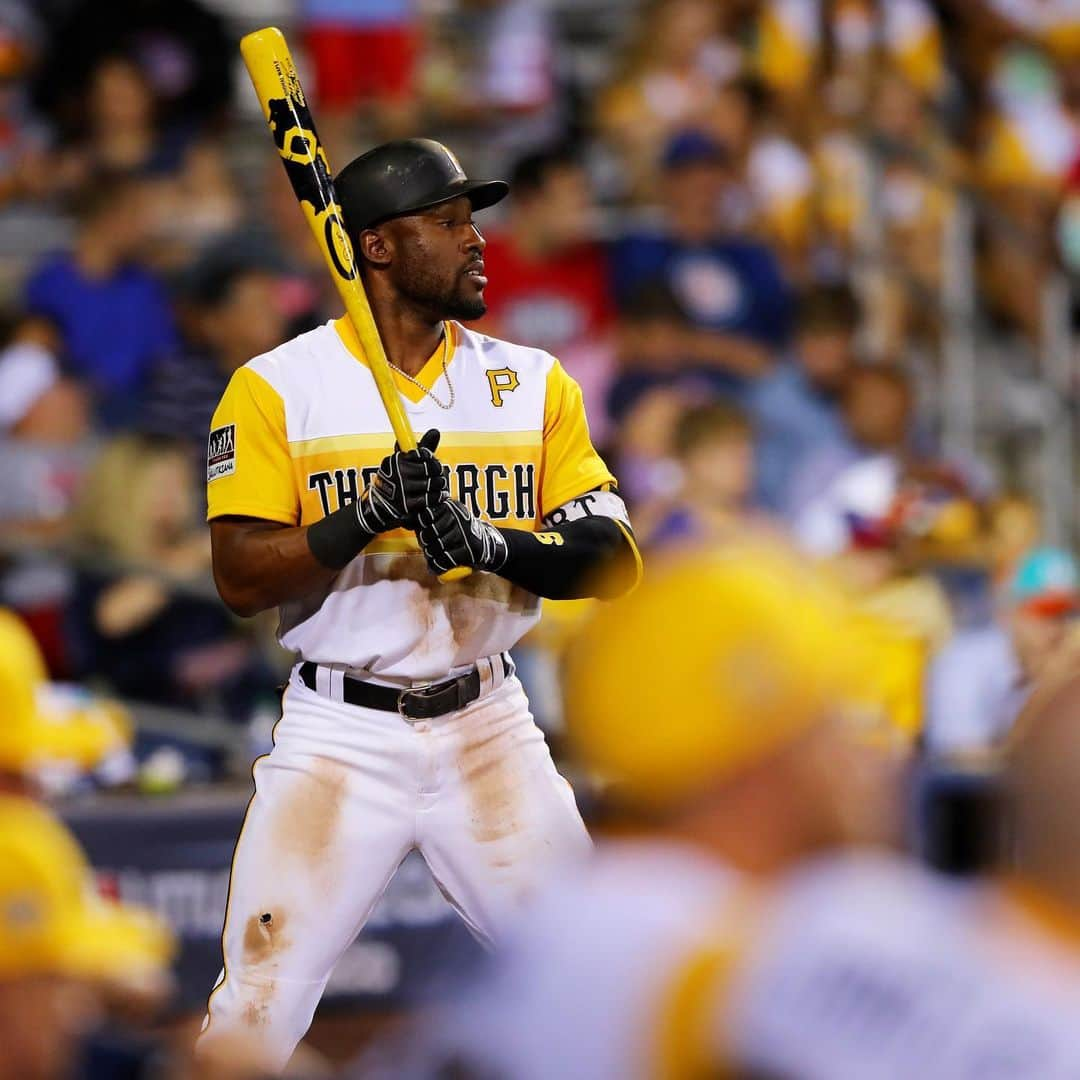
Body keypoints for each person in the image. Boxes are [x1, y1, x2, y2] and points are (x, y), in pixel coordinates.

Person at [197, 137, 641, 1073]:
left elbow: (613, 560)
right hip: (338, 734)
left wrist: (489, 545)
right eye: (446, 223)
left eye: (470, 219)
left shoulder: (529, 383)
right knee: (255, 1008)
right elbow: (239, 575)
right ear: (379, 248)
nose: (476, 240)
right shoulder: (281, 386)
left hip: (491, 724)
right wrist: (364, 516)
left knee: (608, 995)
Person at [399, 545, 1080, 1080]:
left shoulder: (571, 921)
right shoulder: (751, 935)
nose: (873, 759)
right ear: (769, 754)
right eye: (836, 720)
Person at [68, 434, 277, 719]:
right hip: (133, 713)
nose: (175, 496)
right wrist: (196, 552)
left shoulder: (196, 553)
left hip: (220, 710)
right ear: (124, 488)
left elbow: (247, 629)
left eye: (181, 484)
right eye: (161, 485)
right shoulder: (101, 553)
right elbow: (114, 616)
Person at [611, 129, 792, 385]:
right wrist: (722, 352)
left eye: (711, 172)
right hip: (666, 383)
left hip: (754, 388)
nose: (702, 184)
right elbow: (633, 339)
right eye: (688, 174)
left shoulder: (753, 256)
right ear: (666, 183)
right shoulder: (640, 251)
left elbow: (773, 348)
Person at [477, 147, 616, 438]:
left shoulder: (591, 262)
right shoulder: (477, 261)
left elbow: (604, 344)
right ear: (530, 203)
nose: (584, 209)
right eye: (572, 198)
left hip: (572, 409)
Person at [23, 171, 177, 427]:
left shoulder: (146, 287)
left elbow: (161, 361)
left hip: (135, 418)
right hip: (68, 415)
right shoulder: (49, 284)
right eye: (135, 214)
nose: (146, 226)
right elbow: (35, 362)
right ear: (107, 216)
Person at [926, 546, 1080, 758]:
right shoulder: (963, 663)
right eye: (1044, 612)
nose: (1057, 629)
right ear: (1008, 613)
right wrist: (1046, 695)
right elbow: (963, 761)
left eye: (1068, 614)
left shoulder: (1068, 666)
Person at [748, 283, 860, 515]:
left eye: (834, 346)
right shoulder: (771, 399)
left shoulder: (869, 391)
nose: (826, 360)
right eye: (816, 346)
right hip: (784, 526)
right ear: (797, 343)